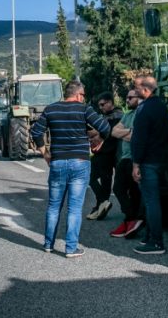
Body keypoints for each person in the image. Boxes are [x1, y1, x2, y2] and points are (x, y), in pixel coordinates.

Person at [31, 81, 110, 258]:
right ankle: (70, 248)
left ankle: (48, 244)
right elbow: (105, 127)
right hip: (80, 162)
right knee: (74, 208)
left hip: (58, 162)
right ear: (79, 95)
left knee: (53, 206)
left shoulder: (51, 109)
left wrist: (45, 154)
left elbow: (36, 132)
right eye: (83, 96)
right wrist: (99, 139)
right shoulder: (84, 109)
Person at [131, 75, 168, 254]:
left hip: (147, 161)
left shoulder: (144, 109)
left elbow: (139, 139)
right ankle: (149, 236)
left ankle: (156, 242)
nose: (135, 90)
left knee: (151, 201)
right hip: (160, 159)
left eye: (137, 87)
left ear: (145, 89)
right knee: (152, 200)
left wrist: (136, 164)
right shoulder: (162, 107)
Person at [109, 89, 144, 239]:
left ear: (139, 98)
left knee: (133, 191)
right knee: (119, 188)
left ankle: (131, 220)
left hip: (134, 158)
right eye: (127, 97)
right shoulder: (127, 114)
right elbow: (113, 132)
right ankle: (131, 219)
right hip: (125, 158)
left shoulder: (141, 114)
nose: (127, 100)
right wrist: (129, 131)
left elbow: (137, 137)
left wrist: (124, 133)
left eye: (130, 97)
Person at [86, 92, 122, 221]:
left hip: (109, 153)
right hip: (102, 153)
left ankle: (101, 205)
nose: (101, 107)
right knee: (93, 177)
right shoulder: (105, 116)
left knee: (103, 181)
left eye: (103, 104)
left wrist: (97, 133)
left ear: (111, 102)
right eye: (99, 105)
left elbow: (107, 132)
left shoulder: (117, 115)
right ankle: (101, 204)